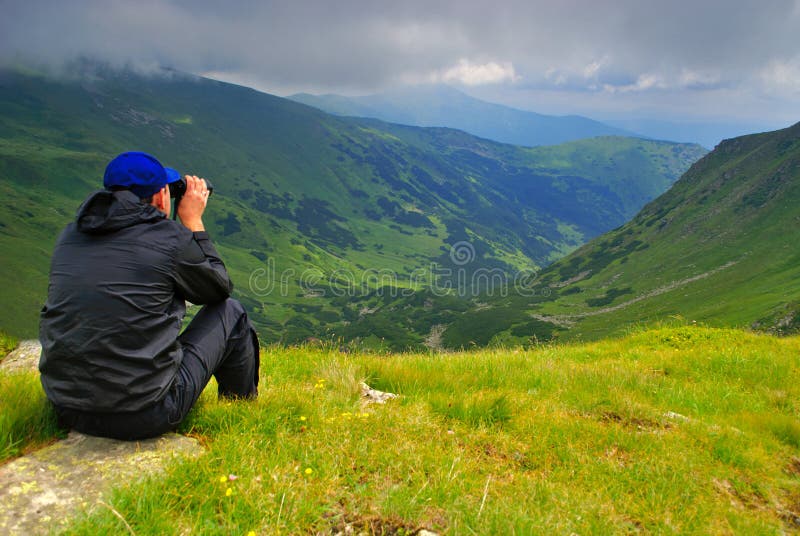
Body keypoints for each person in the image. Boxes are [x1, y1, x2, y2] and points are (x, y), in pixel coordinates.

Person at [38, 151, 259, 440]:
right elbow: (217, 289)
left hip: (66, 407)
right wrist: (192, 221)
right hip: (144, 413)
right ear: (159, 197)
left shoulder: (70, 235)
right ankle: (240, 409)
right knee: (231, 311)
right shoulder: (168, 238)